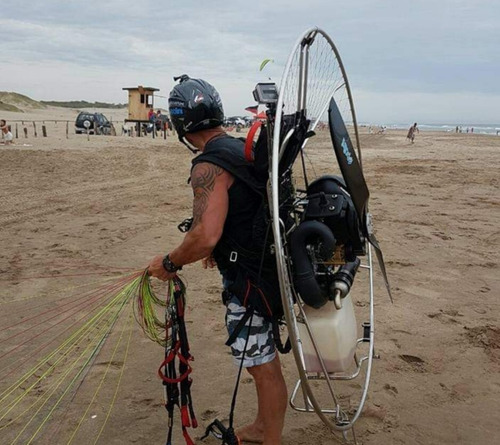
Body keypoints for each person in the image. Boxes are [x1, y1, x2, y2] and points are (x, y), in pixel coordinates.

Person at [147, 76, 287, 445]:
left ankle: (270, 438)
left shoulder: (207, 167)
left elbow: (204, 235)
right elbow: (245, 212)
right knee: (263, 359)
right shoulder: (243, 148)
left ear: (181, 124)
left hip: (251, 278)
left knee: (261, 364)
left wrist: (170, 262)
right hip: (270, 268)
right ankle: (261, 427)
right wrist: (219, 248)